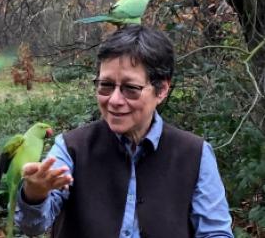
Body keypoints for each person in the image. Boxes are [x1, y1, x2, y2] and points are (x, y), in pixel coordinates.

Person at [15, 25, 234, 238]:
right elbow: (33, 226)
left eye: (131, 88)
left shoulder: (195, 154)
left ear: (162, 90)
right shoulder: (71, 148)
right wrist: (35, 194)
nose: (115, 100)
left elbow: (215, 233)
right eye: (106, 85)